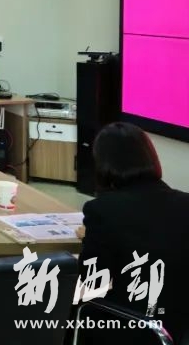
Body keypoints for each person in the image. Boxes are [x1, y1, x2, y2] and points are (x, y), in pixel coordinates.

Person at [77, 122, 188, 345]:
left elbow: (93, 280)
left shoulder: (103, 209)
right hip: (179, 326)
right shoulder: (185, 203)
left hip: (131, 327)